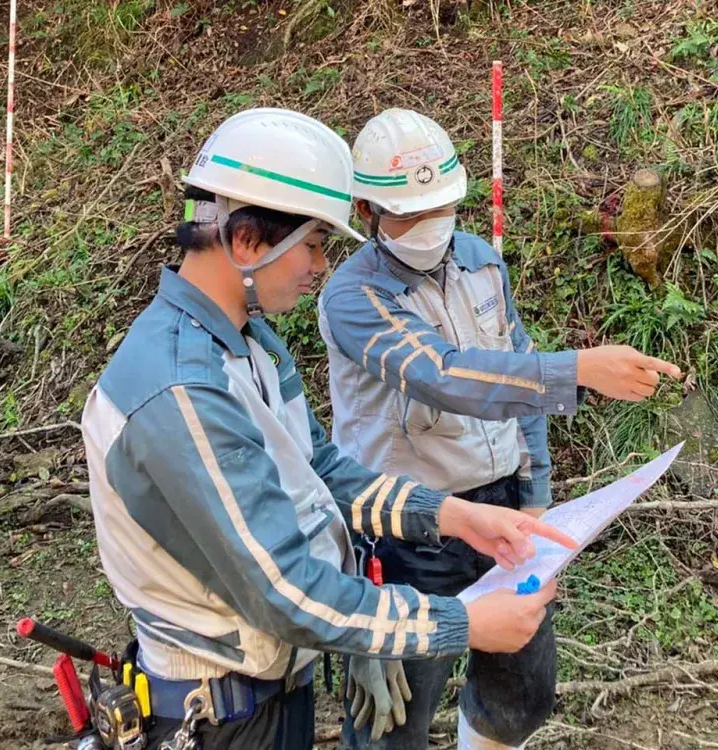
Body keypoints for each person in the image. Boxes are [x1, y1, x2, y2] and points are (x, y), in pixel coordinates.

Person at [80, 108, 577, 750]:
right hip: (217, 716)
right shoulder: (184, 390)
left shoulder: (249, 345)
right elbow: (284, 592)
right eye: (313, 243)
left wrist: (452, 515)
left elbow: (324, 472)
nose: (320, 263)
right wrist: (460, 622)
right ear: (247, 242)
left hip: (274, 684)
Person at [317, 109, 682, 750]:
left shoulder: (483, 263)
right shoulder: (353, 297)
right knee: (394, 717)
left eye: (441, 208)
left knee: (520, 695)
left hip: (503, 512)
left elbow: (515, 375)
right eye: (409, 213)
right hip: (409, 528)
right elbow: (443, 374)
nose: (430, 227)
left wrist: (538, 500)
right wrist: (579, 370)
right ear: (367, 210)